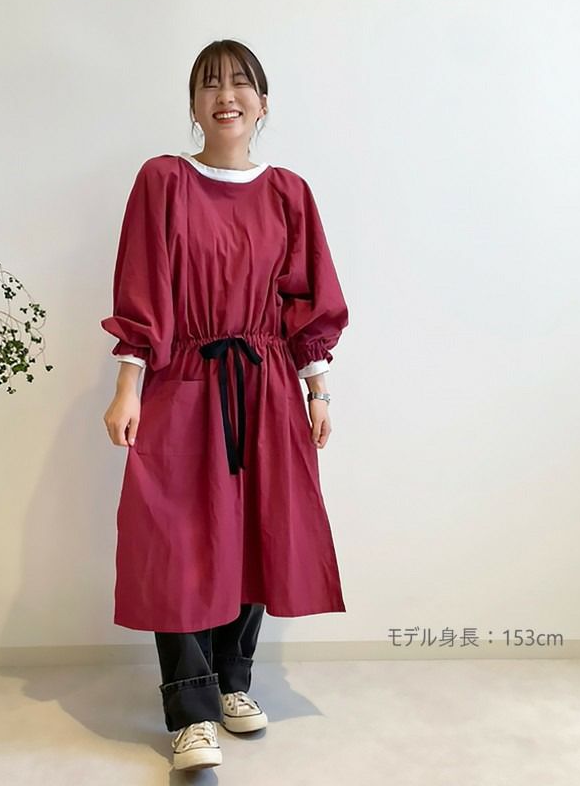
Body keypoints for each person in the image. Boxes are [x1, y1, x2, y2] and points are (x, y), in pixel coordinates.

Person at [100, 39, 349, 771]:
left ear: (263, 104)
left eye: (240, 83)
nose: (225, 96)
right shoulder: (164, 180)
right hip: (183, 380)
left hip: (267, 386)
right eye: (209, 84)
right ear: (193, 104)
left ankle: (233, 681)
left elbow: (306, 300)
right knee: (177, 542)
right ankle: (190, 711)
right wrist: (127, 386)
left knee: (255, 535)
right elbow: (143, 286)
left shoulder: (289, 193)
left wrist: (317, 389)